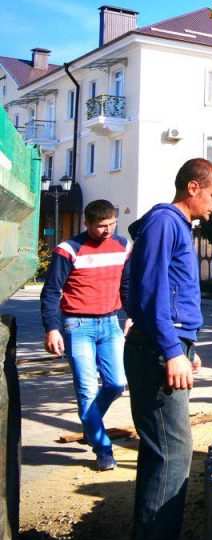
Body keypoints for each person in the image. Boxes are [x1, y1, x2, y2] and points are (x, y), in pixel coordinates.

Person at [125, 158, 212, 540]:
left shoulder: (172, 226)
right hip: (156, 352)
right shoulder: (165, 222)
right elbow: (146, 292)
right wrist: (170, 349)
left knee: (163, 450)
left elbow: (158, 290)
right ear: (193, 188)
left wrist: (186, 347)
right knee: (172, 453)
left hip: (166, 347)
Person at [40, 198, 131, 471]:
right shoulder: (68, 249)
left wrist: (133, 316)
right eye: (102, 226)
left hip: (110, 324)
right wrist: (52, 328)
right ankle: (103, 449)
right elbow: (51, 292)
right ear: (87, 223)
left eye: (112, 224)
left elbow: (126, 285)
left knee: (116, 384)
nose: (108, 230)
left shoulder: (124, 246)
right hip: (76, 326)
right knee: (87, 389)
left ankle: (90, 423)